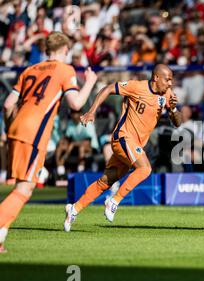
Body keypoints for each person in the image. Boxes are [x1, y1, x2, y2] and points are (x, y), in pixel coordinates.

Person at [0, 32, 98, 252]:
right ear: (64, 50)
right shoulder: (64, 70)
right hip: (34, 131)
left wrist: (8, 127)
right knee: (25, 189)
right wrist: (90, 82)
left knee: (20, 186)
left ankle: (1, 239)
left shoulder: (28, 70)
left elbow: (7, 105)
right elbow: (76, 103)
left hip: (16, 127)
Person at [63, 64, 181, 232]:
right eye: (167, 79)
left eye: (171, 80)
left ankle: (74, 209)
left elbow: (177, 123)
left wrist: (174, 109)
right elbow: (108, 88)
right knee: (145, 169)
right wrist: (92, 111)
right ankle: (114, 200)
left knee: (105, 181)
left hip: (135, 145)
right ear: (156, 78)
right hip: (123, 137)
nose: (170, 83)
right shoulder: (137, 86)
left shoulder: (167, 95)